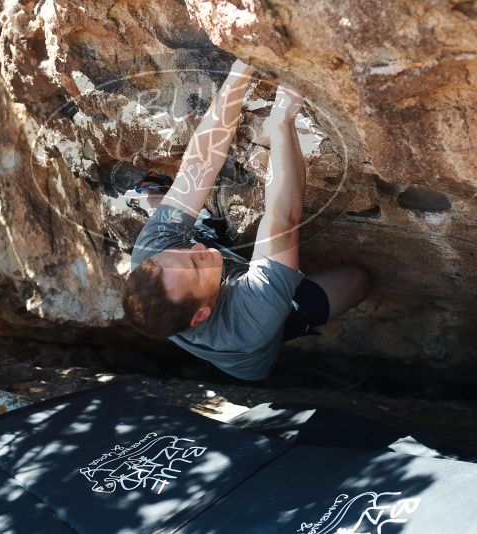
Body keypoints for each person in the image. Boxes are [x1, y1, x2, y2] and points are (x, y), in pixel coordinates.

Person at [121, 59, 370, 381]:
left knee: (181, 213)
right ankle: (287, 301)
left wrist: (241, 72)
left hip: (222, 287)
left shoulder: (153, 256)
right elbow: (282, 218)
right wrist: (282, 120)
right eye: (195, 265)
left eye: (180, 252)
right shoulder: (250, 323)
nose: (193, 248)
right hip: (258, 348)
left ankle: (164, 205)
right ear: (202, 314)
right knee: (357, 280)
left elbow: (199, 166)